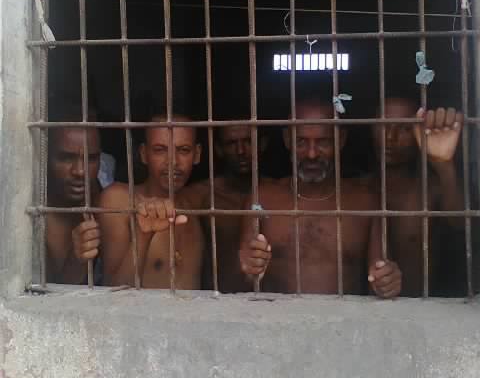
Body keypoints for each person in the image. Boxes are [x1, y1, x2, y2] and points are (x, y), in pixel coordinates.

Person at [239, 99, 402, 298]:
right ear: (287, 139)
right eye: (301, 142)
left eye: (323, 142)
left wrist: (387, 280)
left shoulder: (366, 202)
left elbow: (380, 270)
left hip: (345, 317)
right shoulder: (262, 199)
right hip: (277, 317)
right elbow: (245, 273)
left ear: (340, 139)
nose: (312, 154)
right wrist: (249, 267)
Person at [371, 96, 464, 296]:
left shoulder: (432, 188)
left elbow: (462, 225)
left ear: (420, 131)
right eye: (383, 125)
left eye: (405, 128)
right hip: (363, 308)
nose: (390, 137)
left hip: (421, 307)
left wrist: (443, 164)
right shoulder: (356, 189)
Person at [99, 112, 204, 289]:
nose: (173, 161)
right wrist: (143, 236)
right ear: (144, 154)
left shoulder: (197, 201)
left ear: (197, 154)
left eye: (184, 150)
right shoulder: (120, 200)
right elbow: (112, 291)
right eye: (160, 150)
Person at [188, 125, 269, 293]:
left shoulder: (277, 194)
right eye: (231, 143)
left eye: (248, 141)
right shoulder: (201, 196)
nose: (241, 151)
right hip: (216, 299)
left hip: (272, 300)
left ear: (262, 144)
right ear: (219, 149)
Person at [46, 109, 102, 284]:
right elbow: (44, 297)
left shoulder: (101, 195)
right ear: (45, 157)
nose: (80, 171)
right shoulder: (34, 216)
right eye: (66, 158)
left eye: (91, 158)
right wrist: (76, 260)